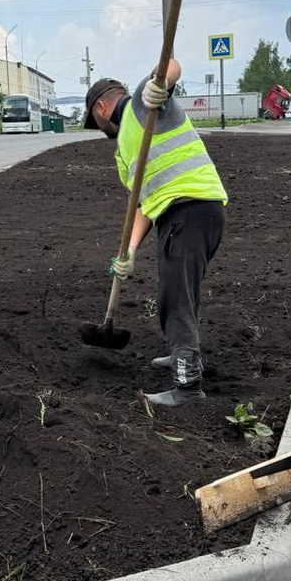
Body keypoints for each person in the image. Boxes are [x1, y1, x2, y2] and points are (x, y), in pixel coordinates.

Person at [83, 59, 227, 406]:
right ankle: (181, 353)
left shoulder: (140, 104)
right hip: (175, 214)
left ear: (101, 106)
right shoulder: (125, 150)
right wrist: (129, 251)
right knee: (172, 293)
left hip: (192, 206)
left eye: (94, 119)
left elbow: (171, 66)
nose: (97, 125)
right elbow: (143, 204)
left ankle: (188, 386)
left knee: (178, 296)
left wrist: (160, 84)